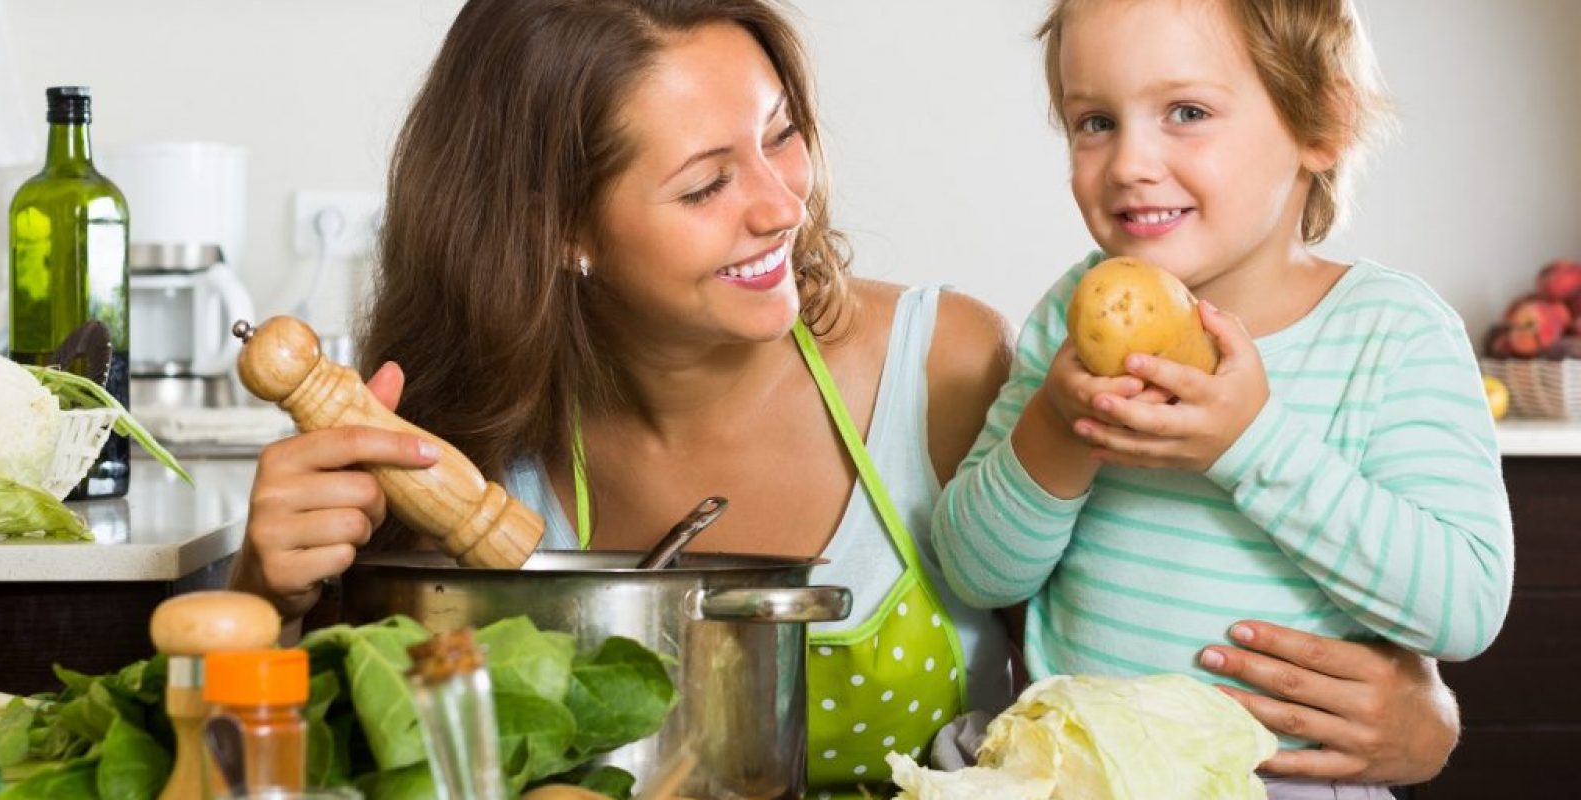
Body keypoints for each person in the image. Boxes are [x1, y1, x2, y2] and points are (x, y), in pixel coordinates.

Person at [229, 0, 1466, 793]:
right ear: (562, 229)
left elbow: (1151, 614)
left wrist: (1428, 718)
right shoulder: (456, 457)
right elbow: (348, 759)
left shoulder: (947, 362)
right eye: (706, 183)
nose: (782, 204)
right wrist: (268, 596)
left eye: (781, 135)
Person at [930, 0, 1513, 797]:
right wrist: (1059, 426)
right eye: (1095, 122)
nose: (1129, 162)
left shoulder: (1392, 333)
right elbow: (977, 575)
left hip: (1285, 780)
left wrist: (1252, 445)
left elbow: (1464, 608)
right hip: (1076, 775)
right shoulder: (1072, 321)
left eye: (1188, 112)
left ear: (1322, 123)